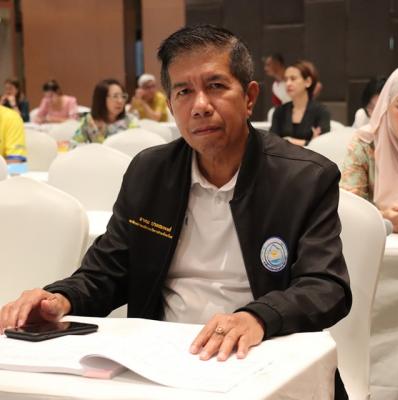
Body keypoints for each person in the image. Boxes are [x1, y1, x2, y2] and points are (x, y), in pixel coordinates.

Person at [0, 25, 351, 367]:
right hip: (163, 357)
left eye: (215, 86)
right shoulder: (150, 173)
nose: (200, 105)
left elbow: (325, 286)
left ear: (249, 97)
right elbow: (107, 271)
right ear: (170, 105)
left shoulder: (304, 178)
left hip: (258, 354)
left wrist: (258, 317)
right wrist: (59, 298)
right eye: (184, 92)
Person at [341, 67, 398, 233]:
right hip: (380, 242)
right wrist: (383, 218)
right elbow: (348, 210)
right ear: (386, 106)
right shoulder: (364, 143)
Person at [270, 60, 330, 146]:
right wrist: (308, 142)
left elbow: (322, 144)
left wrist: (288, 141)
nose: (288, 83)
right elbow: (272, 142)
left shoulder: (321, 111)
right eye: (286, 79)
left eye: (293, 79)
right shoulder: (279, 111)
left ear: (308, 82)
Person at [72, 79, 137, 144]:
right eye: (115, 96)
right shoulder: (89, 121)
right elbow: (74, 143)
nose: (120, 101)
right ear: (101, 99)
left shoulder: (129, 121)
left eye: (123, 96)